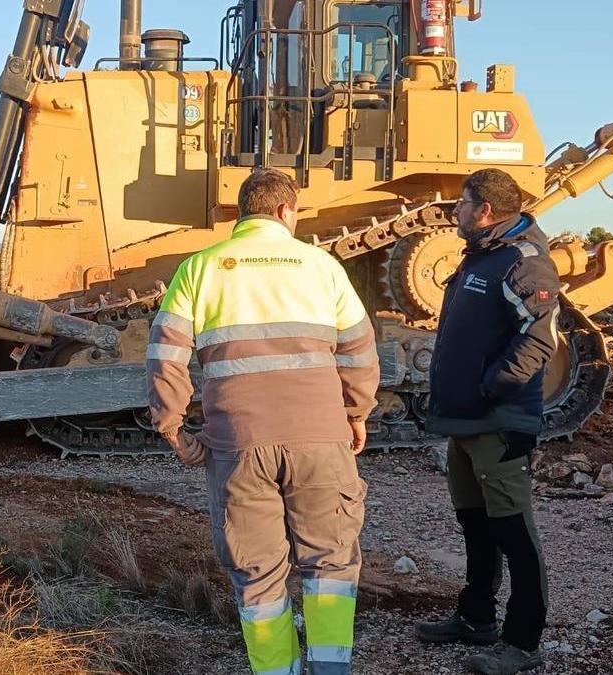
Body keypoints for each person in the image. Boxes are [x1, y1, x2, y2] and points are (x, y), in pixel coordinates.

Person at [146, 168, 381, 675]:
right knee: (331, 564)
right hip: (321, 439)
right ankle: (330, 668)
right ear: (285, 211)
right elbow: (360, 351)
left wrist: (172, 427)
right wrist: (356, 413)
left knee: (257, 573)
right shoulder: (322, 266)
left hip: (237, 443)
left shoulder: (200, 268)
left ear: (241, 213)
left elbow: (166, 355)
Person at [416, 168, 560, 675]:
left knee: (514, 533)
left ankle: (523, 643)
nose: (454, 211)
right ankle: (476, 618)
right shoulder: (484, 255)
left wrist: (490, 386)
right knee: (475, 525)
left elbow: (541, 340)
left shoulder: (524, 262)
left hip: (497, 421)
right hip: (466, 421)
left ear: (486, 212)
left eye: (461, 203)